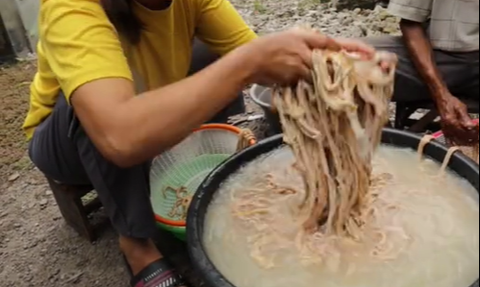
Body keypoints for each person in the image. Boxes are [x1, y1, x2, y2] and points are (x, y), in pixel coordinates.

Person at [24, 0, 375, 286]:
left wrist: (337, 69)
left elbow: (259, 57)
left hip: (140, 102)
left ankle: (211, 166)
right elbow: (118, 136)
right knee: (93, 109)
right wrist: (247, 63)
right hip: (63, 142)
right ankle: (136, 245)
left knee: (215, 56)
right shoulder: (70, 7)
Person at [366, 0, 479, 145]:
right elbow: (410, 23)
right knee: (339, 63)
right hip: (437, 55)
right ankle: (389, 148)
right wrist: (442, 96)